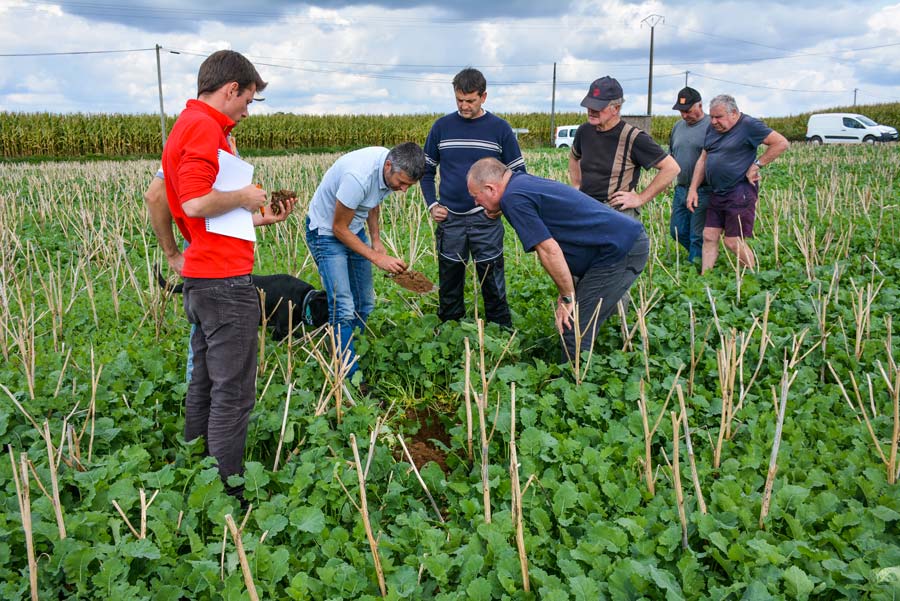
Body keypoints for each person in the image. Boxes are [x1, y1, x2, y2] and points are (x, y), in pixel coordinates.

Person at [161, 49, 294, 498]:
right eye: (248, 100)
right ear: (231, 88)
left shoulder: (184, 124)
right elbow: (198, 202)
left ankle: (194, 469)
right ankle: (225, 492)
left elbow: (161, 198)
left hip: (202, 276)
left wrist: (260, 216)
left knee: (205, 383)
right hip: (224, 283)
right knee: (234, 394)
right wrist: (244, 196)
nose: (247, 111)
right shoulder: (203, 127)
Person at [467, 157, 649, 362]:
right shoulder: (520, 184)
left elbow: (548, 250)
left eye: (476, 196)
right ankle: (599, 359)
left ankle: (574, 382)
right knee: (584, 315)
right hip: (616, 245)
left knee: (574, 324)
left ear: (491, 189)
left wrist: (567, 296)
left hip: (620, 251)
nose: (476, 202)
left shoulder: (512, 199)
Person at [305, 143, 426, 383]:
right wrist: (376, 257)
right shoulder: (357, 177)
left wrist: (376, 240)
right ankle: (348, 376)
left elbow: (372, 201)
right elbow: (338, 228)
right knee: (343, 305)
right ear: (389, 166)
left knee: (366, 302)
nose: (402, 190)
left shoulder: (387, 170)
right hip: (327, 233)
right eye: (401, 183)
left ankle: (347, 347)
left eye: (408, 187)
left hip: (354, 229)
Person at [421, 68, 524, 327]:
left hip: (485, 220)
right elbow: (426, 170)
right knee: (450, 279)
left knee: (492, 278)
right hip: (451, 219)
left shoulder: (500, 129)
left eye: (470, 100)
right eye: (459, 100)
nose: (464, 106)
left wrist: (500, 207)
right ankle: (450, 329)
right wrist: (432, 204)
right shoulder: (442, 127)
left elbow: (518, 174)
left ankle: (500, 330)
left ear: (484, 96)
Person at [687, 94, 789, 273]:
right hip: (717, 191)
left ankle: (752, 275)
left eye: (719, 117)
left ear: (733, 113)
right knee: (709, 235)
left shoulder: (749, 125)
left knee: (732, 241)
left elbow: (781, 143)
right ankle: (705, 277)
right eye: (712, 117)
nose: (714, 121)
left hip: (739, 191)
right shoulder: (713, 129)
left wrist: (757, 165)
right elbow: (703, 159)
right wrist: (693, 188)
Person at [568, 76, 680, 219]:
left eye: (598, 106)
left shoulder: (633, 137)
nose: (591, 110)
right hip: (586, 207)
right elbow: (574, 157)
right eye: (589, 105)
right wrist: (577, 185)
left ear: (616, 108)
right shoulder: (584, 131)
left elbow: (672, 168)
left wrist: (640, 198)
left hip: (616, 213)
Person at [669, 87, 711, 263]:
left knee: (696, 234)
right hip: (681, 187)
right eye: (681, 111)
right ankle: (703, 255)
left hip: (703, 189)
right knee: (677, 231)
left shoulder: (711, 125)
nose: (684, 115)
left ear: (700, 105)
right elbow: (671, 154)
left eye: (688, 111)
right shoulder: (677, 127)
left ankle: (697, 272)